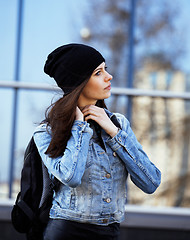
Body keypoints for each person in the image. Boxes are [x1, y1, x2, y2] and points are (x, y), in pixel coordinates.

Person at [33, 43, 161, 240]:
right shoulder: (46, 132)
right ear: (80, 83)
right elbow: (71, 177)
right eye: (98, 73)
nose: (108, 77)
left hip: (109, 232)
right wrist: (79, 128)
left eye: (106, 69)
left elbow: (151, 182)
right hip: (66, 232)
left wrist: (114, 132)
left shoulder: (118, 124)